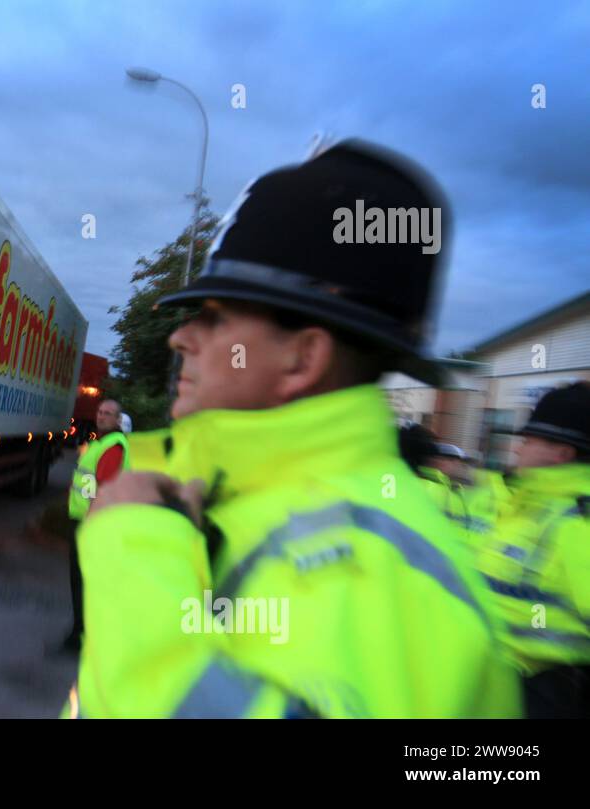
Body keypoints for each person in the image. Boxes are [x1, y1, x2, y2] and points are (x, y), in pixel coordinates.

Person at [66, 140, 519, 718]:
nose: (182, 339)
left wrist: (133, 550)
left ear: (303, 359)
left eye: (216, 317)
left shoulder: (381, 572)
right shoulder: (252, 501)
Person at [475, 382, 590, 717]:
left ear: (562, 453)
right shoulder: (530, 508)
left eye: (528, 441)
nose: (517, 450)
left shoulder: (577, 522)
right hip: (498, 687)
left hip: (540, 695)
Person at [63, 398, 129, 651]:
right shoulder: (100, 443)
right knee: (81, 580)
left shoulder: (113, 447)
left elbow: (105, 491)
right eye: (100, 412)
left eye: (108, 413)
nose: (101, 416)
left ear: (117, 420)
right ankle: (82, 632)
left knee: (82, 580)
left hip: (91, 523)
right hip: (84, 519)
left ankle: (80, 636)